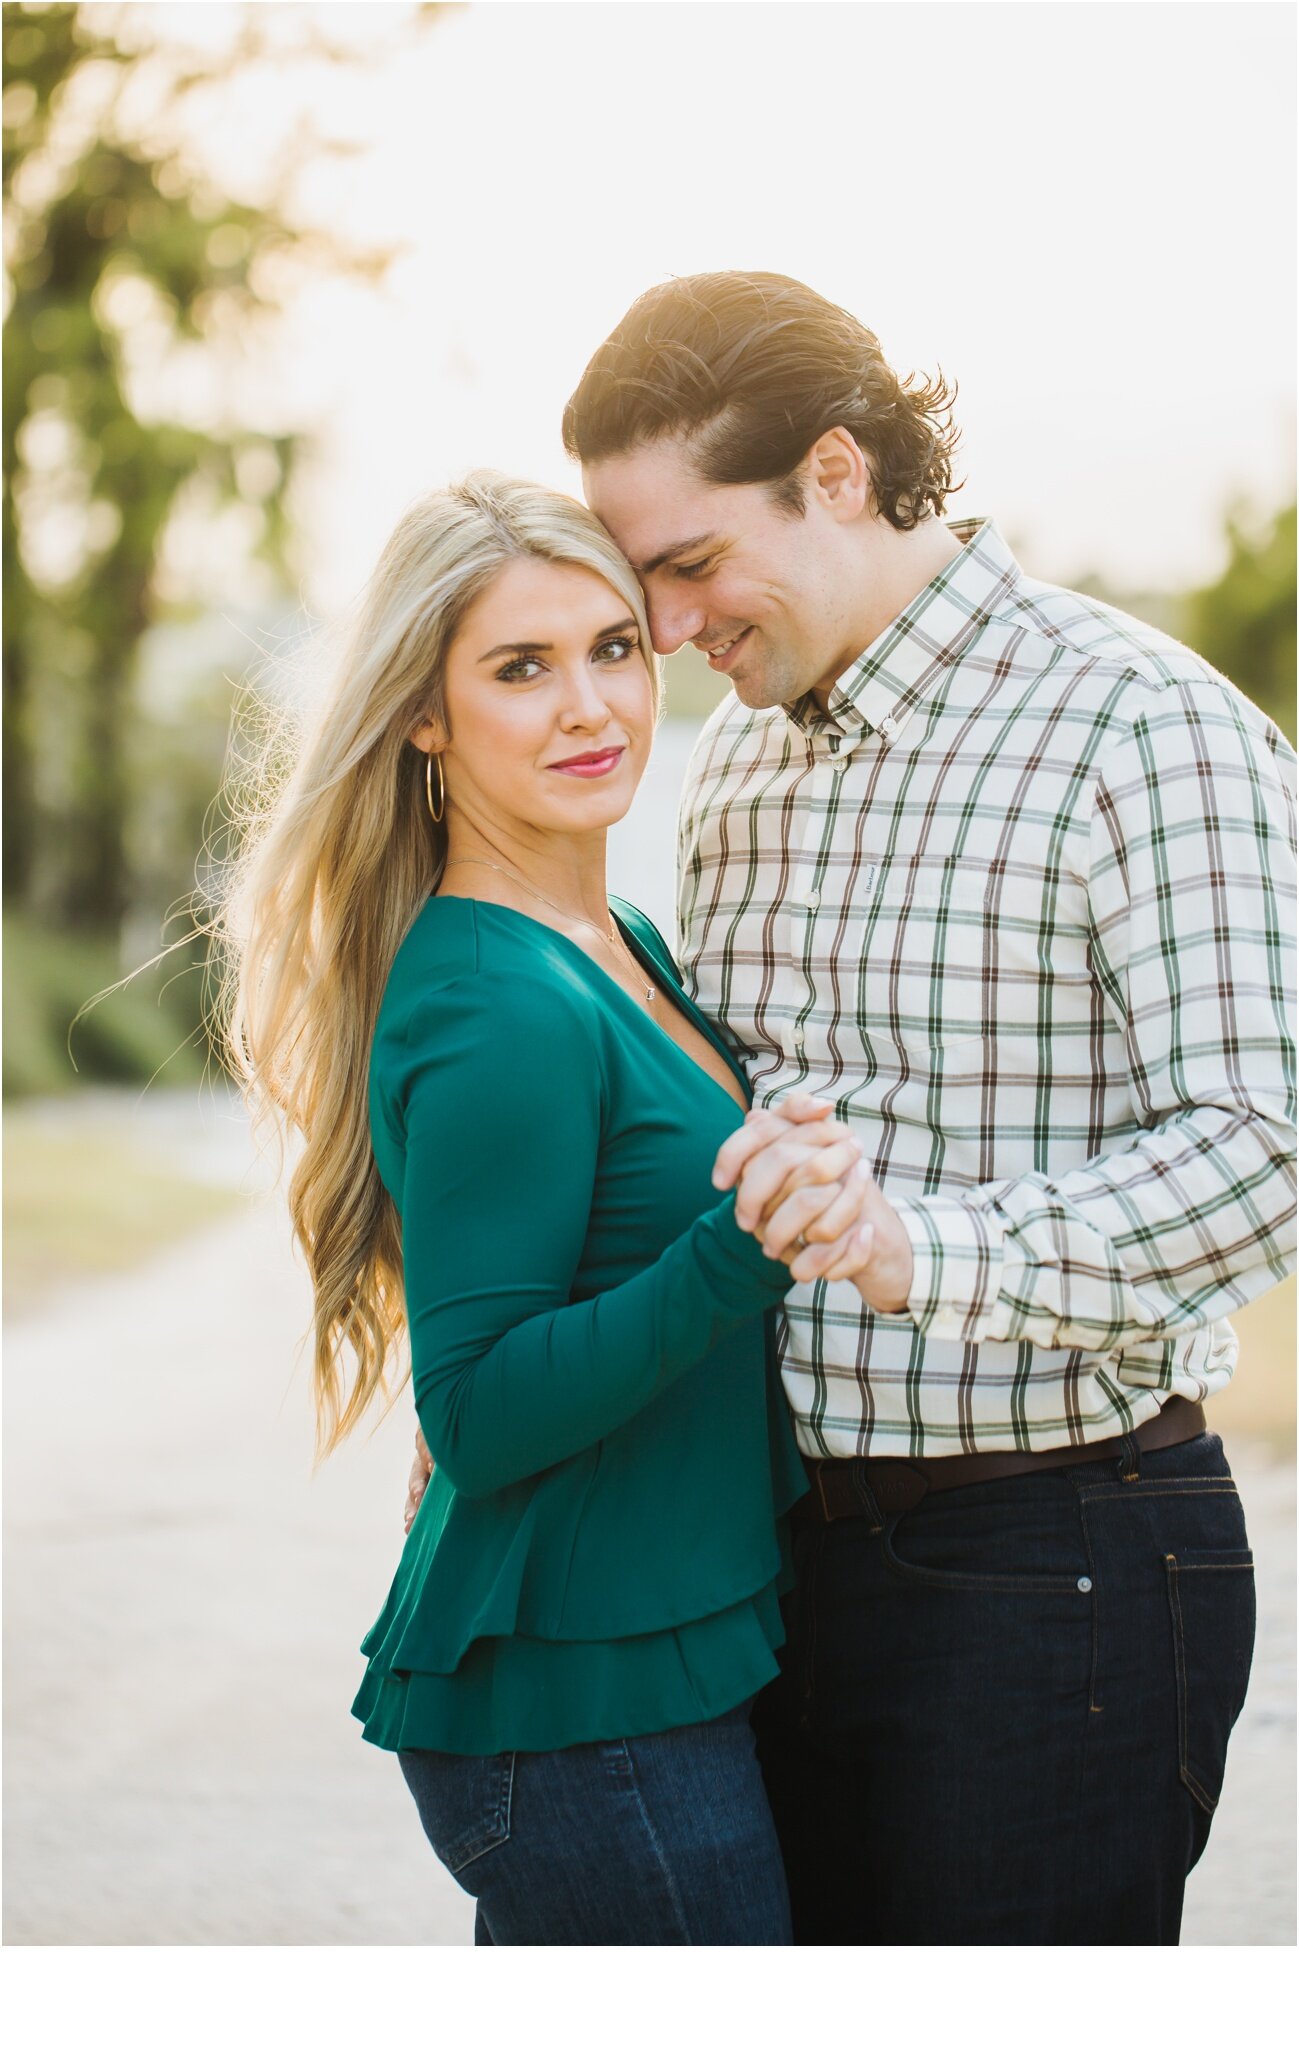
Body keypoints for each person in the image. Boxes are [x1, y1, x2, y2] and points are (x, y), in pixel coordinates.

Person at [409, 272, 1296, 1944]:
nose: (663, 634)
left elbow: (1268, 1146)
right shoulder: (742, 765)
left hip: (1055, 1561)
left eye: (682, 567)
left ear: (835, 474)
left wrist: (923, 1252)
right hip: (764, 1566)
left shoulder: (1140, 727)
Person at [221, 471, 878, 1946]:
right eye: (521, 668)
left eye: (612, 649)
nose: (590, 706)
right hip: (579, 1717)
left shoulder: (609, 934)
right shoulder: (493, 996)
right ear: (425, 716)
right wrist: (742, 1248)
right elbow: (480, 1406)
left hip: (663, 1669)